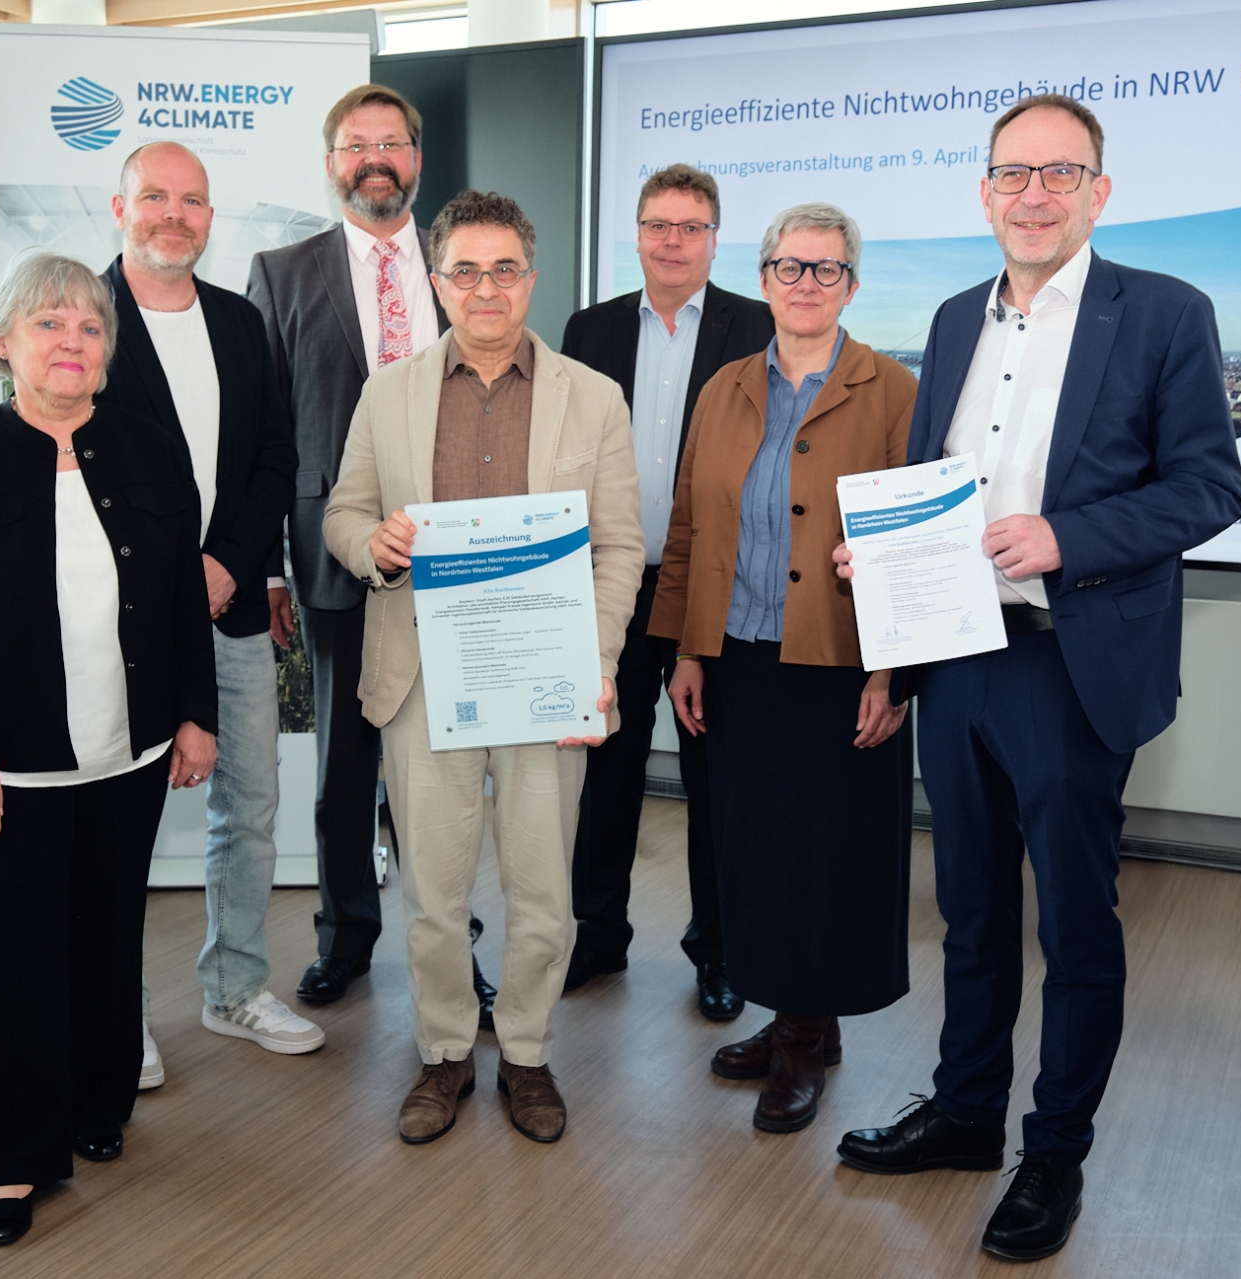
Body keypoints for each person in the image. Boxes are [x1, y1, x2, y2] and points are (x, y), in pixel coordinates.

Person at [831, 95, 1241, 1263]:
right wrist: (886, 587)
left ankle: (1052, 1150)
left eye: (1060, 173)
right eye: (1013, 173)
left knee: (1070, 920)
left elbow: (1207, 488)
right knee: (966, 908)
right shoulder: (952, 317)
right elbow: (931, 479)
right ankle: (967, 1111)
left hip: (1072, 658)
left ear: (1097, 193)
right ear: (983, 192)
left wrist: (1066, 536)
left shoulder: (1162, 312)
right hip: (956, 653)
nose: (1033, 194)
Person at [0, 251, 218, 1246]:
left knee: (104, 934)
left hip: (130, 753)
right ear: (4, 343)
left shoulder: (148, 451)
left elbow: (181, 598)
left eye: (88, 327)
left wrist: (195, 714)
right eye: (48, 324)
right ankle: (11, 1157)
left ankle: (94, 1099)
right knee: (13, 955)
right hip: (13, 765)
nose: (71, 342)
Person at [323, 191, 644, 1144]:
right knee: (434, 890)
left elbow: (619, 546)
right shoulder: (388, 393)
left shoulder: (593, 396)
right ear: (437, 282)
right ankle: (445, 1051)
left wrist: (595, 657)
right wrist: (372, 547)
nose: (486, 287)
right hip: (425, 676)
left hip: (547, 675)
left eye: (504, 268)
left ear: (531, 279)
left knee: (543, 888)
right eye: (465, 270)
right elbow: (342, 513)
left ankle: (531, 1054)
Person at [650, 203, 916, 1136]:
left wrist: (892, 675)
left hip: (838, 665)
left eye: (826, 268)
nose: (806, 284)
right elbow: (688, 524)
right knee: (755, 850)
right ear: (762, 278)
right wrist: (686, 647)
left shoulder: (892, 390)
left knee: (823, 855)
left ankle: (807, 1033)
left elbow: (913, 542)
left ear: (852, 284)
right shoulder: (723, 386)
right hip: (737, 658)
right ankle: (791, 1015)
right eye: (789, 267)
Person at [249, 85, 492, 1017]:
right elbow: (265, 434)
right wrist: (270, 566)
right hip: (334, 556)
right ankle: (344, 935)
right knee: (344, 767)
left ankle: (453, 942)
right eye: (357, 144)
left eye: (392, 142)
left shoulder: (462, 264)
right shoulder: (281, 273)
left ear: (417, 160)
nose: (375, 158)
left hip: (459, 554)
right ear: (331, 163)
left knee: (450, 772)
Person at [92, 142, 313, 1079]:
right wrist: (171, 576)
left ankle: (234, 987)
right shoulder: (83, 318)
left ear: (210, 219)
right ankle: (117, 1017)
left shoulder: (237, 320)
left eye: (191, 201)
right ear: (120, 208)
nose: (172, 216)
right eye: (154, 197)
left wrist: (226, 564)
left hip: (229, 605)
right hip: (120, 622)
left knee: (250, 803)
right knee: (120, 821)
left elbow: (274, 458)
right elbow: (74, 470)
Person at [557, 163, 774, 1021]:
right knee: (602, 770)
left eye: (690, 227)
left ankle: (717, 949)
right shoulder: (590, 328)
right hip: (609, 583)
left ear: (715, 240)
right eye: (657, 225)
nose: (672, 241)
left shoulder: (756, 325)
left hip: (712, 590)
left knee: (713, 776)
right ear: (637, 235)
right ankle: (595, 933)